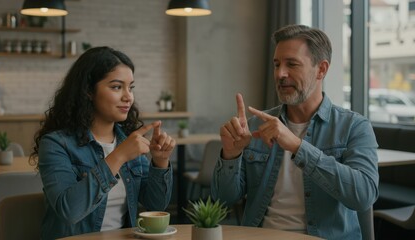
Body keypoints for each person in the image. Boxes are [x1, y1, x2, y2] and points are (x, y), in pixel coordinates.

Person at [212, 25, 379, 239]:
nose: (280, 74)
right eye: (277, 64)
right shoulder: (255, 127)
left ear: (321, 69)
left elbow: (363, 196)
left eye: (292, 64)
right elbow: (222, 201)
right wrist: (230, 155)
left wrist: (297, 146)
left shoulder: (354, 126)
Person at [30, 46, 175, 240]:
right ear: (89, 90)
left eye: (130, 87)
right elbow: (69, 210)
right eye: (116, 87)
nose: (128, 97)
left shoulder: (127, 140)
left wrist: (160, 162)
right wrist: (119, 156)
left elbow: (156, 205)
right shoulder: (56, 144)